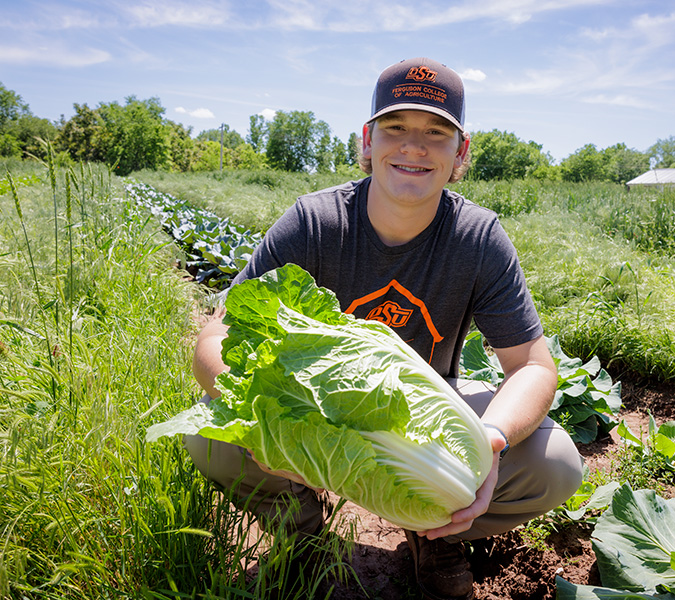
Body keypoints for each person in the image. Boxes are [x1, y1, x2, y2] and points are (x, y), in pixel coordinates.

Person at [187, 57, 584, 600]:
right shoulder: (315, 223)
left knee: (555, 465)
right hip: (313, 414)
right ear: (368, 140)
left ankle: (437, 528)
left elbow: (534, 366)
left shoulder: (478, 238)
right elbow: (214, 338)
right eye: (396, 128)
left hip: (424, 413)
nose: (413, 147)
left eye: (436, 133)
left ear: (460, 152)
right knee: (211, 435)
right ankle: (301, 530)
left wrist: (487, 446)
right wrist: (282, 434)